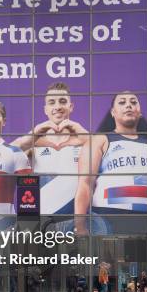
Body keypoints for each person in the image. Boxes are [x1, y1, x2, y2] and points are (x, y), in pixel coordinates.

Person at [74, 92, 147, 232]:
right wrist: (80, 226)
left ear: (140, 111)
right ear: (113, 112)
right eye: (122, 102)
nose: (128, 105)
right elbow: (85, 184)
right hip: (108, 217)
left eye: (133, 102)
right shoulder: (99, 141)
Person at [11, 82, 88, 215]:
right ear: (45, 109)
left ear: (71, 107)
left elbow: (104, 150)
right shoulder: (34, 143)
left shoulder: (83, 142)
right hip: (42, 217)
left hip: (73, 218)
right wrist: (34, 132)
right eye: (52, 102)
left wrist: (80, 130)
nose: (57, 107)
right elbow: (5, 154)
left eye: (62, 101)